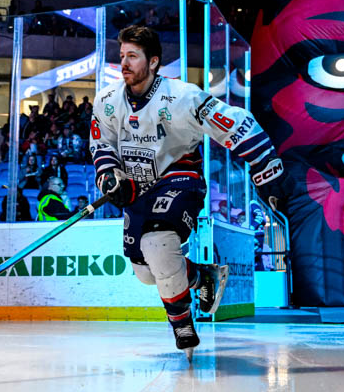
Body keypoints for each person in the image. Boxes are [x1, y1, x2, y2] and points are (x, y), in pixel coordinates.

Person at [90, 25, 290, 357]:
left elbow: (235, 122)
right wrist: (110, 176)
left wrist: (265, 165)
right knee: (146, 272)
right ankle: (202, 276)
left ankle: (182, 324)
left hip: (179, 177)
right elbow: (101, 144)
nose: (124, 63)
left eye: (133, 56)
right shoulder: (107, 100)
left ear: (153, 62)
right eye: (122, 55)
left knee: (158, 241)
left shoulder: (182, 97)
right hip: (138, 188)